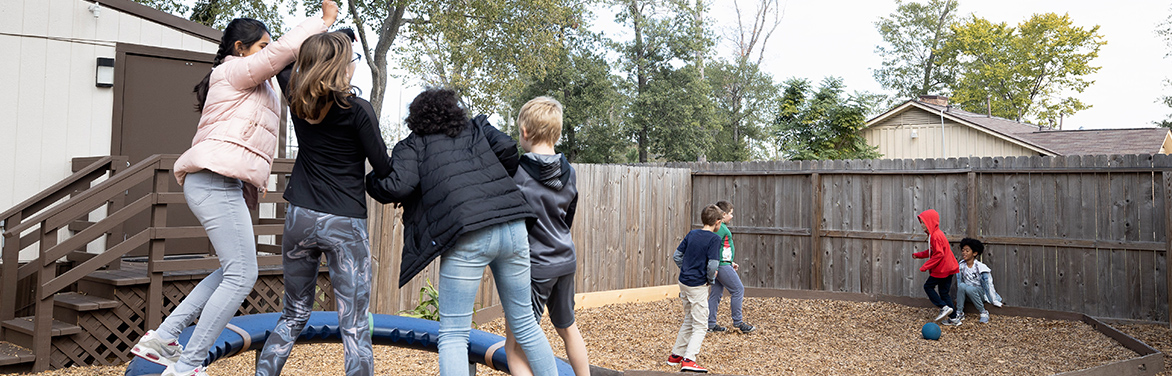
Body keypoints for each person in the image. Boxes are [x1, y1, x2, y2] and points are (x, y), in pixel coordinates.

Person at [130, 4, 337, 376]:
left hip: (222, 182)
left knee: (233, 269)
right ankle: (188, 364)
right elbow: (280, 54)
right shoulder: (231, 70)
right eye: (261, 46)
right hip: (212, 180)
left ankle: (164, 337)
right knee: (242, 275)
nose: (267, 52)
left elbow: (288, 73)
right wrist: (320, 23)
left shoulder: (257, 83)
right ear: (240, 48)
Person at [365, 88, 558, 376]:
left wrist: (369, 181)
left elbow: (397, 186)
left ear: (415, 118)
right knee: (526, 325)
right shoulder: (477, 128)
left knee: (454, 334)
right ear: (454, 110)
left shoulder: (414, 145)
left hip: (467, 233)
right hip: (514, 224)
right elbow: (507, 147)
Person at [252, 31, 389, 376]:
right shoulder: (358, 110)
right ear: (340, 67)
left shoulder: (296, 98)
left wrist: (324, 29)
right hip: (343, 223)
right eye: (351, 61)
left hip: (299, 216)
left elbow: (285, 55)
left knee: (294, 312)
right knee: (354, 324)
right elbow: (385, 168)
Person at [502, 97, 590, 376]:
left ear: (525, 132)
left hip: (535, 266)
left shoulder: (518, 173)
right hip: (565, 258)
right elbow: (568, 218)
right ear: (558, 133)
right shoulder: (570, 172)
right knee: (567, 327)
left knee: (515, 346)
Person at [665, 205, 724, 373]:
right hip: (697, 286)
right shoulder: (714, 239)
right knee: (701, 325)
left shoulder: (692, 234)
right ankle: (689, 359)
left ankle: (676, 355)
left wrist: (687, 270)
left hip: (683, 282)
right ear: (718, 222)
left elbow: (677, 256)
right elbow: (713, 265)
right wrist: (709, 279)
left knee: (689, 318)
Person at [706, 200, 755, 334]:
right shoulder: (720, 229)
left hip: (723, 263)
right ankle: (738, 323)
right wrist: (719, 265)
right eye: (730, 213)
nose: (732, 216)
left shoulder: (721, 228)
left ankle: (710, 324)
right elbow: (714, 247)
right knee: (738, 289)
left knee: (716, 294)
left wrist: (730, 261)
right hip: (721, 266)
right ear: (723, 214)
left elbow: (722, 248)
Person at [912, 209, 960, 323]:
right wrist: (918, 255)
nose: (922, 225)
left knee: (928, 287)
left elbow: (939, 254)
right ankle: (954, 318)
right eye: (921, 222)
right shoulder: (936, 234)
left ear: (931, 222)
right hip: (950, 268)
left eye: (924, 222)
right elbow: (933, 251)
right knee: (944, 293)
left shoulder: (935, 236)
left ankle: (944, 307)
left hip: (942, 269)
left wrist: (926, 266)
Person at [943, 238, 1003, 326]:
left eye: (967, 251)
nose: (964, 253)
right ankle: (959, 313)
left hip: (980, 294)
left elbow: (988, 284)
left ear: (975, 253)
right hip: (967, 294)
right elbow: (960, 283)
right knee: (963, 286)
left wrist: (994, 300)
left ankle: (983, 312)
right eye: (963, 250)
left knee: (970, 289)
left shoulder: (981, 267)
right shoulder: (961, 266)